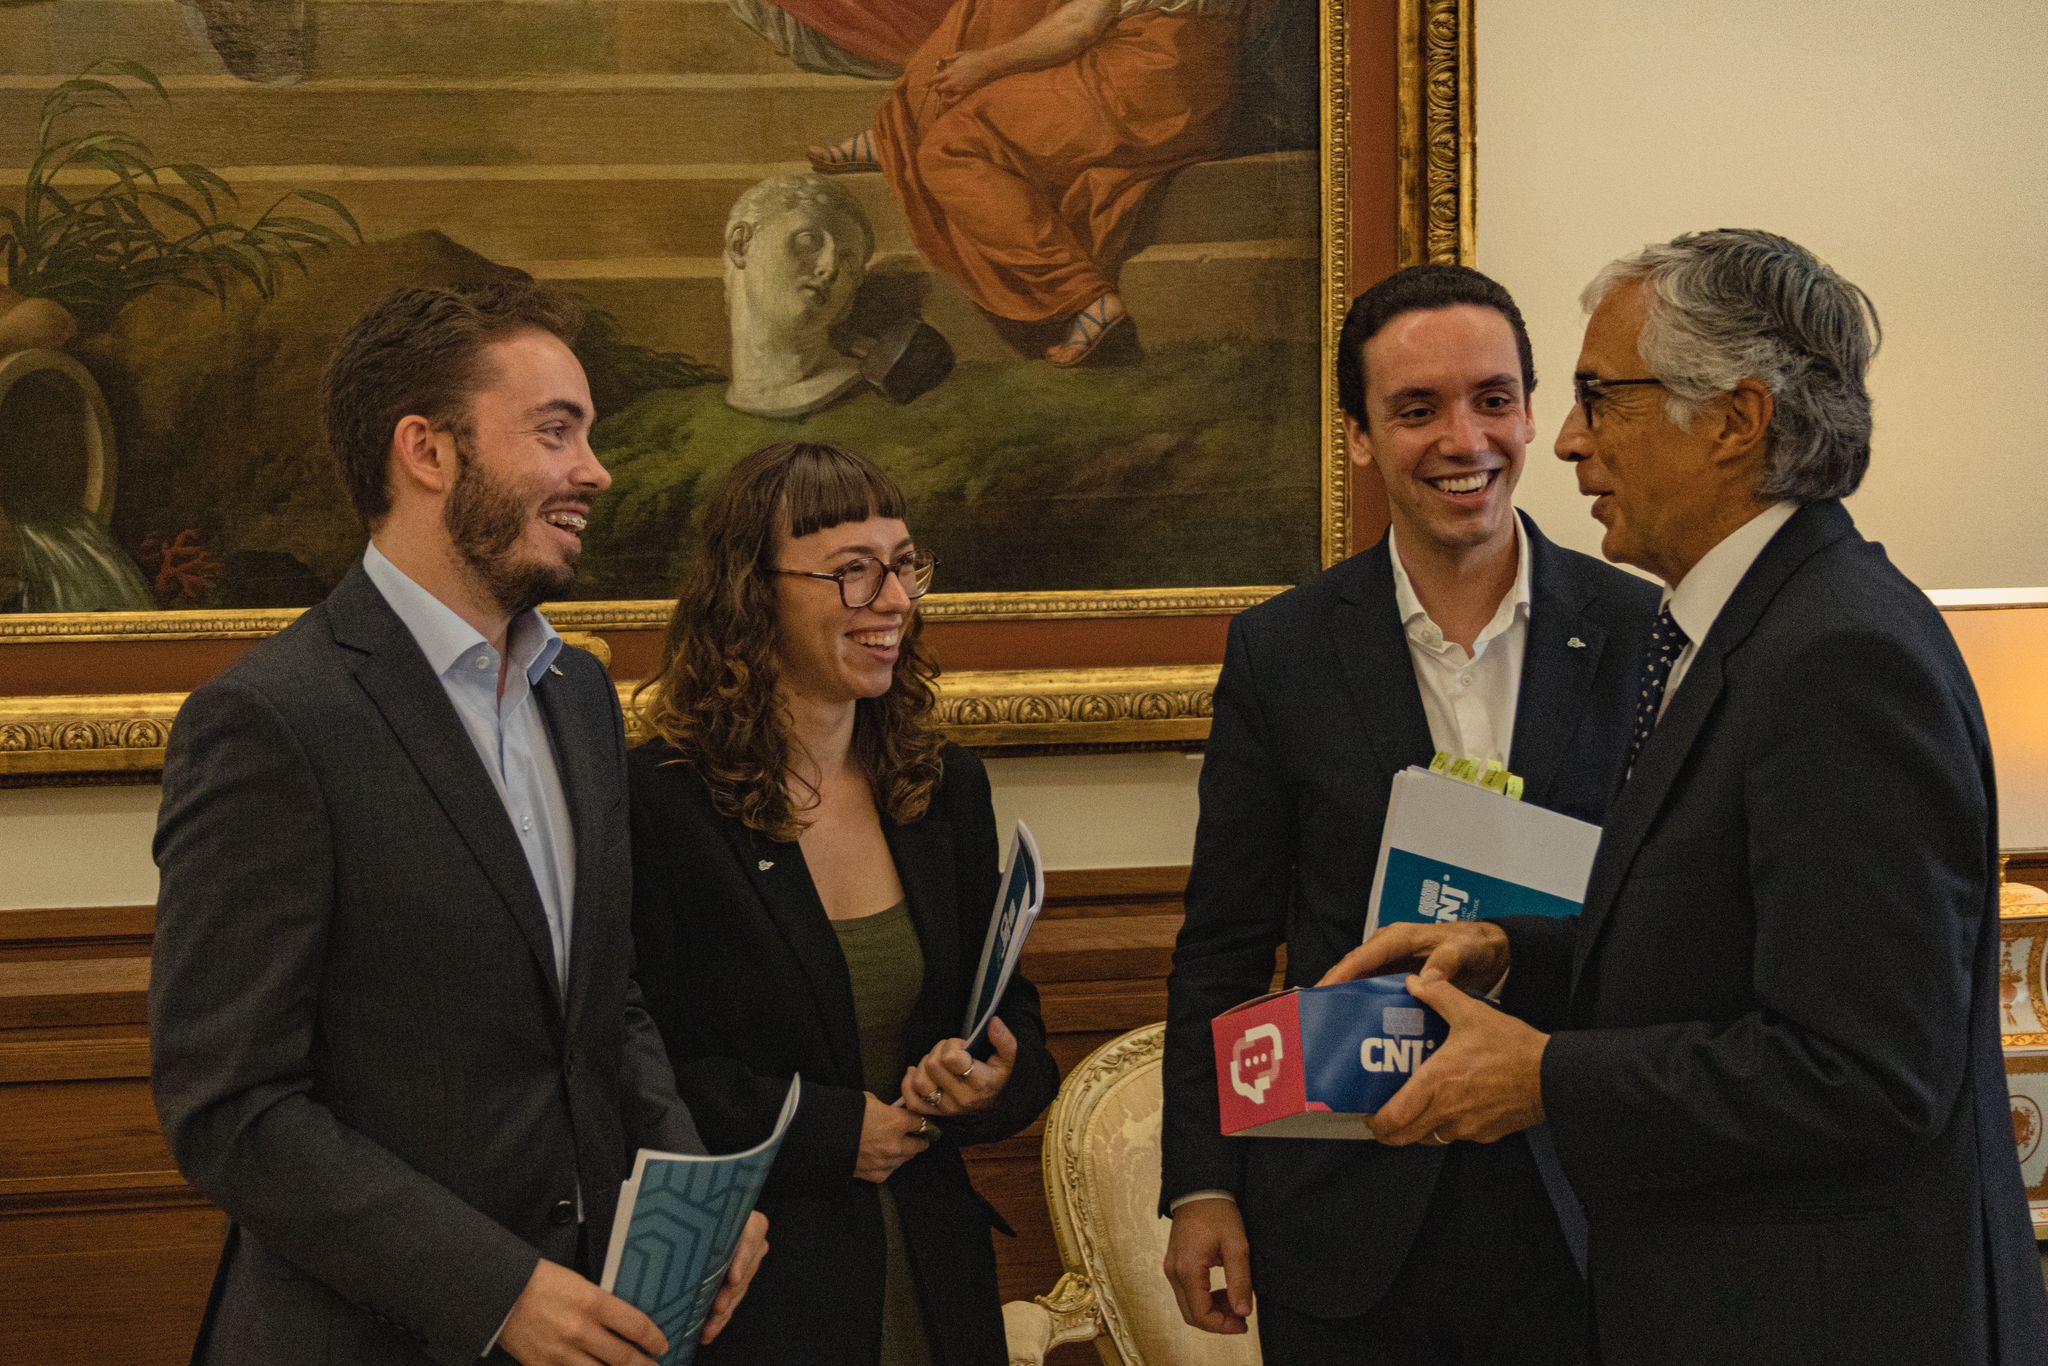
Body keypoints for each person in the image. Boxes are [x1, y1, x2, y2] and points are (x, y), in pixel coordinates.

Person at [1322, 230, 2048, 1365]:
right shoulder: (1742, 635)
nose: (1563, 442)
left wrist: (1543, 1076)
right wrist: (1514, 956)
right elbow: (1720, 950)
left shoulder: (1840, 657)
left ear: (1734, 420)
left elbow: (1862, 1072)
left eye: (1599, 397)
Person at [148, 282, 767, 1366]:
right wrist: (495, 1292)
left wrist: (691, 1202)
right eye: (555, 431)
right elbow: (231, 1107)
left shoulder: (576, 695)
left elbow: (604, 1007)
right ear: (427, 452)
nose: (594, 472)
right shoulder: (269, 721)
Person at [1160, 264, 1658, 1364]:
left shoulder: (1643, 632)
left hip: (1588, 1204)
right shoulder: (1279, 652)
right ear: (1356, 435)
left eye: (1490, 399)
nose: (1461, 439)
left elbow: (1673, 920)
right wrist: (1200, 1182)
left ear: (1531, 411)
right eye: (1415, 409)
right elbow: (1225, 944)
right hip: (1348, 1210)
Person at [628, 440, 1061, 1364]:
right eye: (854, 574)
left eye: (904, 566)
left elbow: (1013, 1021)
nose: (896, 601)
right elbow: (634, 1062)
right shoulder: (659, 803)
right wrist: (827, 1131)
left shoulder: (944, 789)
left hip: (939, 1276)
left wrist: (985, 1082)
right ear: (753, 594)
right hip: (764, 1293)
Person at [808, 0, 1257, 365]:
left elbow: (1080, 24)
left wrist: (985, 64)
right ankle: (899, 133)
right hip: (1197, 81)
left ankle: (1087, 297)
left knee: (952, 151)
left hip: (1144, 80)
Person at [722, 174, 875, 418]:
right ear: (741, 244)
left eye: (848, 262)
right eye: (809, 240)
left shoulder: (869, 402)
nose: (830, 268)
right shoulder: (677, 407)